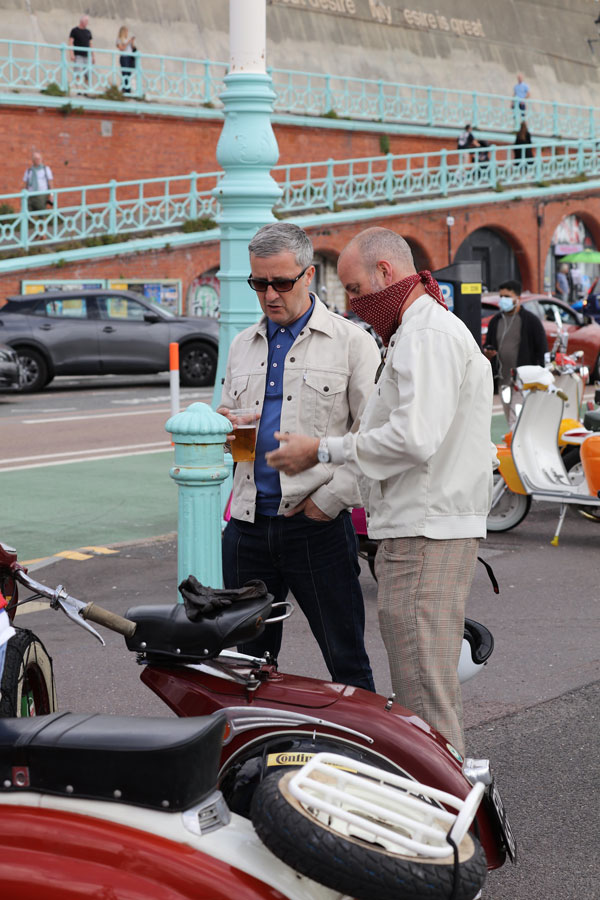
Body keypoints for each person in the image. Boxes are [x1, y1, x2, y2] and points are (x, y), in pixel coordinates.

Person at [265, 226, 495, 756]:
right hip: (428, 526)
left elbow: (413, 438)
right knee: (424, 693)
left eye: (353, 289)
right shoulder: (424, 328)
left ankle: (446, 824)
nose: (352, 304)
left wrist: (321, 450)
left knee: (423, 702)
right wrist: (332, 483)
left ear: (385, 274)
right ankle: (447, 815)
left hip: (424, 532)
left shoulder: (423, 335)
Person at [217, 222, 380, 692]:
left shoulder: (353, 343)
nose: (269, 294)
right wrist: (222, 429)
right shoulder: (242, 345)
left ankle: (361, 757)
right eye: (258, 283)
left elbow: (372, 439)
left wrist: (330, 502)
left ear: (309, 276)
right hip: (247, 526)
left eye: (281, 282)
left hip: (317, 525)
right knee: (244, 668)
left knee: (345, 660)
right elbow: (231, 420)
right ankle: (253, 762)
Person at [483, 279, 547, 428]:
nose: (503, 300)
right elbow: (488, 345)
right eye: (501, 296)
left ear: (518, 298)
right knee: (509, 417)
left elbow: (542, 349)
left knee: (515, 419)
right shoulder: (496, 321)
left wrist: (540, 375)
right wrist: (488, 352)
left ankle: (515, 447)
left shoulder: (531, 321)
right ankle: (516, 444)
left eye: (507, 296)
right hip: (503, 380)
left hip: (523, 381)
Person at [69, 15, 95, 88]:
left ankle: (86, 89)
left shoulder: (88, 32)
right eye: (86, 21)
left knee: (88, 74)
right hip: (78, 55)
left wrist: (93, 56)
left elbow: (90, 44)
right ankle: (78, 89)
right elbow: (70, 42)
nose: (87, 23)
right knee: (78, 72)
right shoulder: (74, 30)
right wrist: (72, 54)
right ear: (82, 21)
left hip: (87, 55)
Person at [116, 25, 136, 95]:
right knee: (125, 73)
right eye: (126, 31)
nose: (127, 32)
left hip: (130, 57)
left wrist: (132, 42)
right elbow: (121, 48)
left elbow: (133, 48)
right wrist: (128, 42)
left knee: (129, 74)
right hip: (124, 57)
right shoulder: (119, 39)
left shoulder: (127, 39)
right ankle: (125, 89)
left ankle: (128, 89)